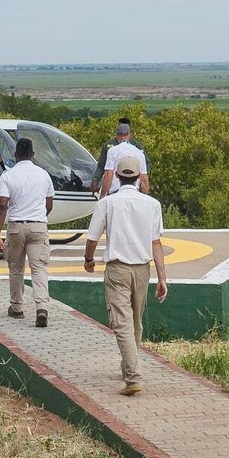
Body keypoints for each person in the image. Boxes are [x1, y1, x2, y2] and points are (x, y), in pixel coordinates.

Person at [83, 156, 168, 396]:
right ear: (140, 177)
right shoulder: (152, 204)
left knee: (121, 323)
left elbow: (92, 237)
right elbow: (156, 242)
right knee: (134, 322)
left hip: (117, 269)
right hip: (143, 269)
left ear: (118, 177)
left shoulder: (107, 203)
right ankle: (128, 368)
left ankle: (133, 377)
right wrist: (162, 277)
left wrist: (89, 259)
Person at [0, 138, 54, 326]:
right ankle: (41, 307)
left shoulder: (8, 175)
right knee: (39, 269)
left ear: (15, 155)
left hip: (16, 227)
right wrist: (38, 217)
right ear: (33, 155)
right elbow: (49, 204)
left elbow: (2, 205)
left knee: (16, 269)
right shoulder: (44, 175)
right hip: (38, 226)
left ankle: (17, 307)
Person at [89, 117, 151, 193]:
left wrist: (139, 178)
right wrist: (95, 180)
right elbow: (101, 166)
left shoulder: (136, 146)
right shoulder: (109, 146)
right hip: (113, 186)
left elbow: (146, 164)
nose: (123, 136)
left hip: (133, 184)